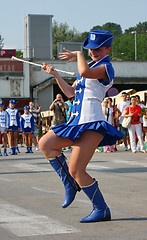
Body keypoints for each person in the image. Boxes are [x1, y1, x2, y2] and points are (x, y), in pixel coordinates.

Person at [39, 30, 123, 223]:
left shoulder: (105, 67)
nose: (93, 52)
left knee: (77, 170)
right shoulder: (89, 67)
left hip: (92, 123)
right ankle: (69, 184)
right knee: (45, 144)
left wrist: (78, 54)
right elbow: (70, 92)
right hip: (77, 122)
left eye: (97, 48)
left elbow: (84, 71)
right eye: (90, 49)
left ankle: (101, 209)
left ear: (108, 49)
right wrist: (55, 75)